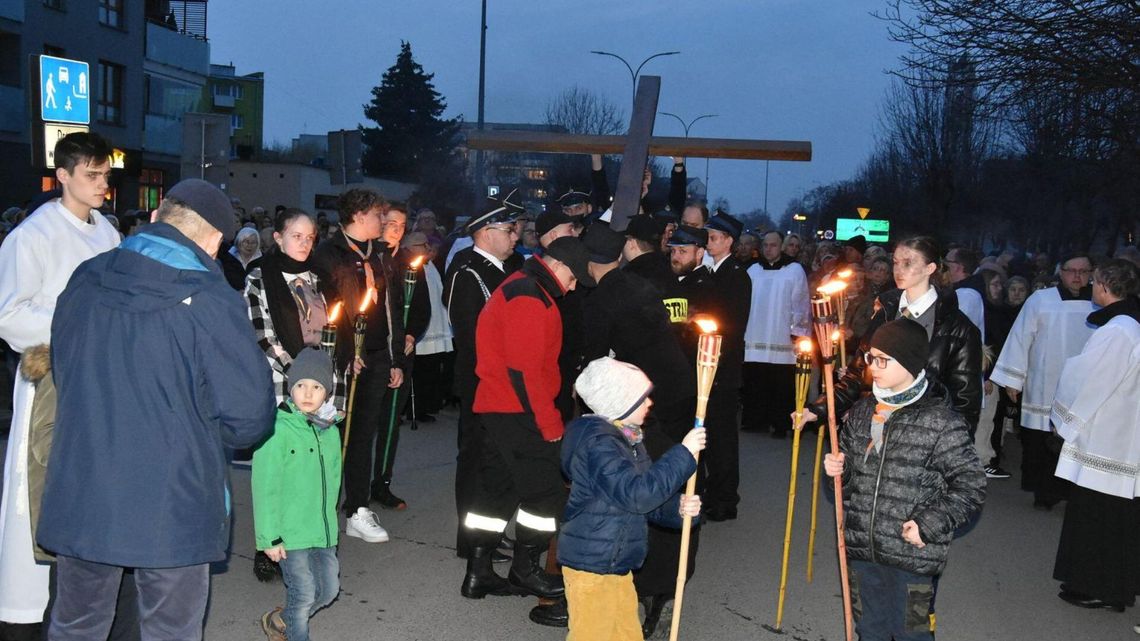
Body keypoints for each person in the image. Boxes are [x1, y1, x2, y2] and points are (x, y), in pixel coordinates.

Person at [38, 178, 276, 640]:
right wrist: (199, 430)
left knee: (75, 626)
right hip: (173, 501)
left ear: (155, 217)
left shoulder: (86, 277)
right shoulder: (210, 299)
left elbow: (63, 372)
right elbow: (249, 416)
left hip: (83, 488)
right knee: (169, 630)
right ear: (213, 242)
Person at [0, 132, 121, 638]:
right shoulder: (32, 236)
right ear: (63, 175)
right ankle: (24, 617)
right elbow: (9, 316)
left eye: (106, 175)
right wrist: (77, 318)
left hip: (100, 382)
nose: (102, 185)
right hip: (49, 383)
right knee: (36, 496)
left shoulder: (109, 232)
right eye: (91, 175)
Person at [821, 318, 986, 641]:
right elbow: (849, 487)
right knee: (869, 630)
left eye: (884, 359)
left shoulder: (940, 421)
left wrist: (928, 524)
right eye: (872, 357)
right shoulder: (862, 412)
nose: (874, 367)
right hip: (863, 549)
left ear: (910, 362)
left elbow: (971, 485)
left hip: (913, 559)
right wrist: (839, 473)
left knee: (913, 633)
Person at [460, 238, 595, 604]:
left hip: (499, 407)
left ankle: (479, 572)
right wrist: (549, 423)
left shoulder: (526, 286)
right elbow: (526, 374)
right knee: (546, 493)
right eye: (572, 279)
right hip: (515, 410)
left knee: (496, 492)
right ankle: (525, 570)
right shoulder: (529, 296)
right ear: (561, 266)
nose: (571, 288)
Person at [558, 357, 705, 641]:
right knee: (593, 635)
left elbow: (644, 498)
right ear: (619, 404)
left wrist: (678, 509)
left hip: (616, 562)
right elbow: (637, 495)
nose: (650, 404)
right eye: (642, 399)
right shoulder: (600, 446)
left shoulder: (628, 440)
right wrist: (683, 454)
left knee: (626, 634)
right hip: (591, 566)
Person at [804, 236, 982, 439]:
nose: (899, 270)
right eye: (896, 262)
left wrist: (950, 450)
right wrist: (818, 409)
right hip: (875, 427)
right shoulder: (885, 313)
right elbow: (857, 373)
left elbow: (965, 402)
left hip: (923, 437)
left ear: (930, 268)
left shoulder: (958, 329)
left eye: (908, 263)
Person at [311, 188, 405, 543]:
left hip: (379, 355)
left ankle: (357, 508)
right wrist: (348, 354)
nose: (383, 222)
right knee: (334, 432)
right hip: (347, 359)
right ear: (361, 215)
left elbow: (391, 310)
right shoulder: (328, 255)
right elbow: (328, 311)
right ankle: (320, 505)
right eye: (379, 215)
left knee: (365, 433)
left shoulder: (380, 255)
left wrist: (396, 358)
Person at [1050, 259, 1140, 613]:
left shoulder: (1118, 331)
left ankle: (1101, 588)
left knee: (1100, 518)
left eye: (1094, 281)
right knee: (1115, 519)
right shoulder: (1128, 326)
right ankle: (1110, 587)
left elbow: (1089, 380)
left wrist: (1064, 420)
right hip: (1121, 435)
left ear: (1103, 286)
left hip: (1108, 439)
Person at [443, 200, 521, 560]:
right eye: (508, 230)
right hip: (481, 383)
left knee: (496, 462)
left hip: (501, 383)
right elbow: (471, 338)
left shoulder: (503, 270)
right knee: (475, 462)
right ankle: (472, 541)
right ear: (486, 233)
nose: (514, 236)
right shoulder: (468, 273)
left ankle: (490, 533)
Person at [990, 252, 1095, 509]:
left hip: (1086, 385)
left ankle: (1075, 492)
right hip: (1045, 383)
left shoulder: (1100, 302)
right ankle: (1045, 492)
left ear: (1092, 274)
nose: (1078, 276)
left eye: (1084, 271)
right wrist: (1013, 378)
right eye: (1072, 270)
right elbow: (1020, 337)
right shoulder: (1041, 300)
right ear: (1062, 272)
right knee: (1042, 442)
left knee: (1080, 440)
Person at [254, 348, 342, 641]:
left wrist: (332, 525)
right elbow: (265, 486)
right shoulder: (277, 429)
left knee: (329, 591)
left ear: (326, 393)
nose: (307, 393)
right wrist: (269, 537)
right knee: (303, 594)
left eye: (316, 387)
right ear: (290, 387)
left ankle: (280, 619)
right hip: (290, 534)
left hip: (322, 530)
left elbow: (333, 482)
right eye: (301, 385)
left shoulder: (329, 430)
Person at [370, 201, 430, 512]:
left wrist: (410, 335)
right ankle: (355, 484)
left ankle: (382, 482)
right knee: (364, 424)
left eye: (401, 226)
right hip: (373, 355)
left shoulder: (410, 265)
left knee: (391, 421)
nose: (396, 230)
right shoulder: (368, 259)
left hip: (401, 356)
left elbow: (421, 310)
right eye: (391, 223)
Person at [699, 212, 752, 520]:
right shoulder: (708, 271)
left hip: (723, 366)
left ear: (729, 241)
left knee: (721, 437)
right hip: (705, 363)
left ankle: (724, 499)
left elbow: (732, 324)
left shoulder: (736, 275)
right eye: (708, 237)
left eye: (714, 238)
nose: (709, 242)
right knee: (705, 433)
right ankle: (709, 491)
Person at [742, 230, 811, 437]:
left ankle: (780, 423)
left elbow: (800, 302)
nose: (768, 249)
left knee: (780, 384)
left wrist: (798, 331)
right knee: (756, 380)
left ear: (781, 246)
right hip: (755, 335)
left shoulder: (794, 270)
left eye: (773, 245)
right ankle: (755, 420)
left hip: (782, 336)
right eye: (765, 245)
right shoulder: (753, 270)